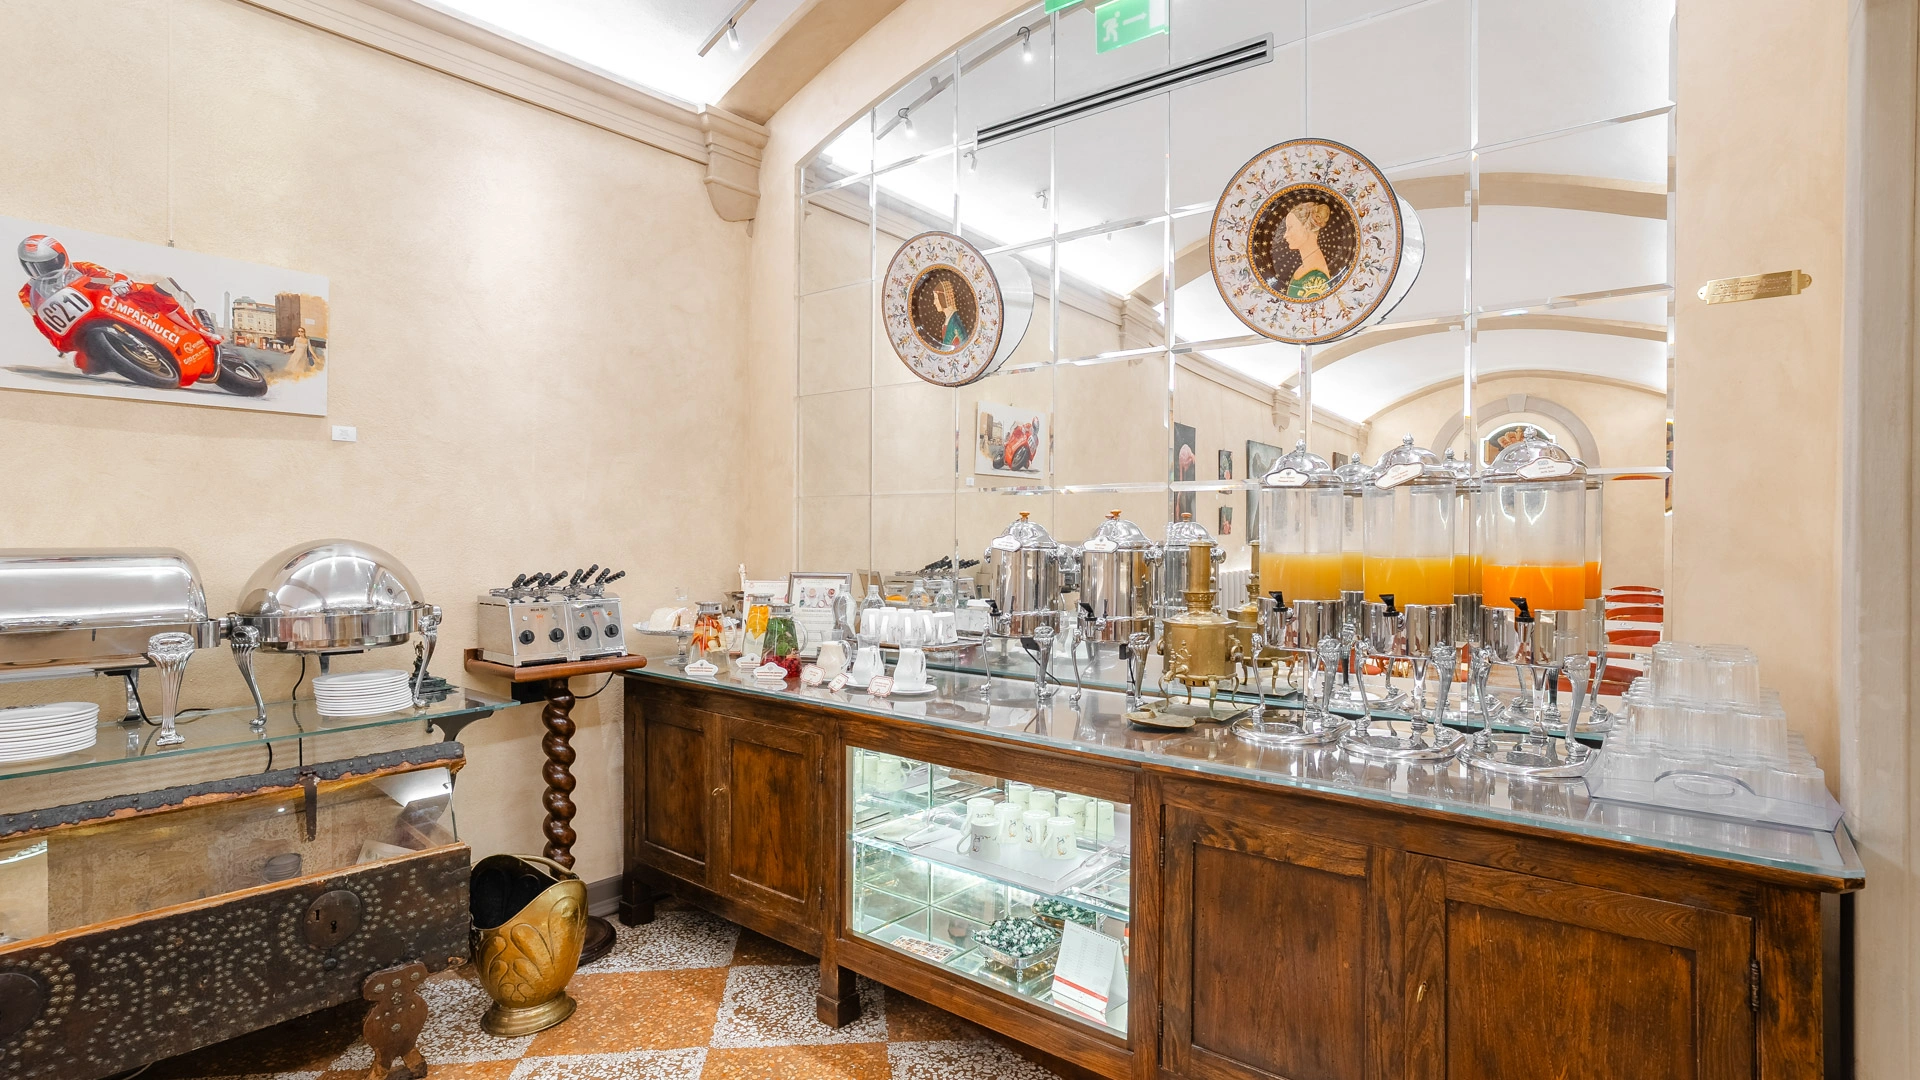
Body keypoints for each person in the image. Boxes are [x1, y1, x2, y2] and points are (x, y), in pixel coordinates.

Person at [16, 235, 129, 308]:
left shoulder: (83, 267)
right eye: (32, 267)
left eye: (47, 265)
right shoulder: (26, 294)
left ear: (61, 257)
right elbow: (40, 322)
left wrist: (119, 285)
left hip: (107, 307)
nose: (42, 272)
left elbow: (114, 278)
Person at [1279, 202, 1334, 300]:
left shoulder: (1316, 277)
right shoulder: (1302, 268)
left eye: (1290, 227)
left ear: (1307, 226)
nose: (1285, 235)